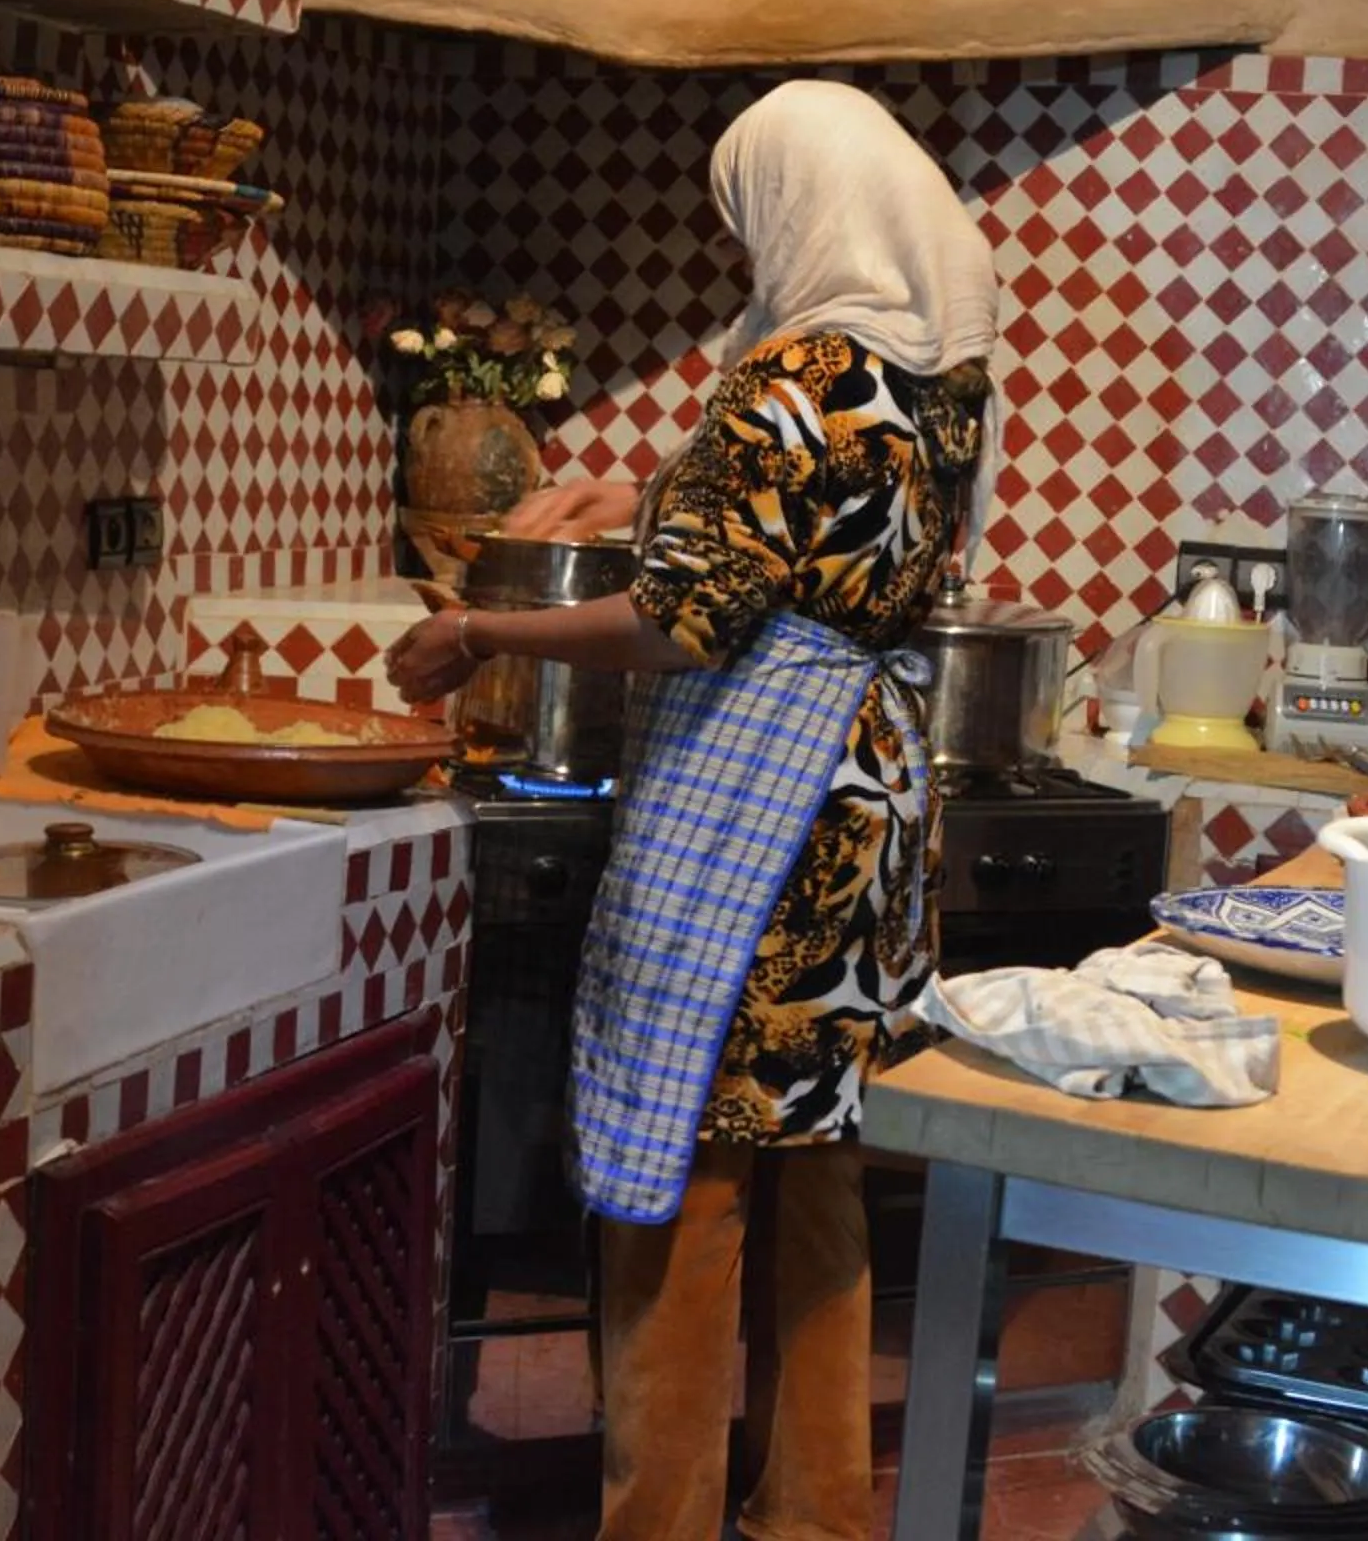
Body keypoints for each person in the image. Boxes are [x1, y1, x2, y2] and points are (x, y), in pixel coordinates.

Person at [386, 78, 998, 1541]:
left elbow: (691, 621)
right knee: (821, 1182)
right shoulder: (931, 375)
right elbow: (796, 537)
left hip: (754, 806)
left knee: (683, 1185)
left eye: (748, 217)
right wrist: (623, 498)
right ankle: (816, 1520)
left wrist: (483, 634)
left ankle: (653, 1520)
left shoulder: (786, 379)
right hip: (864, 811)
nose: (745, 252)